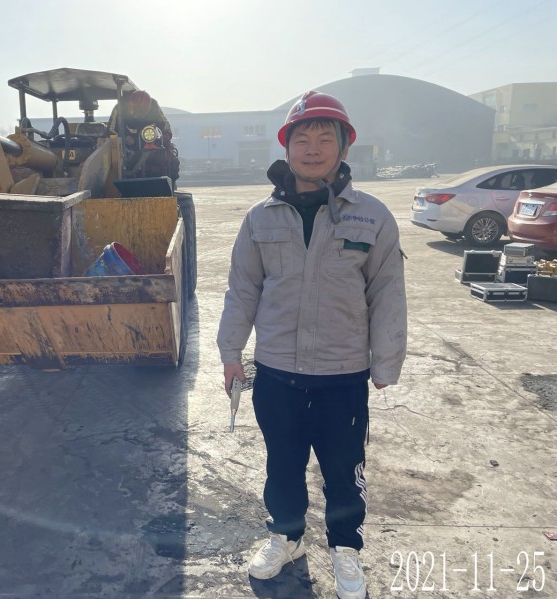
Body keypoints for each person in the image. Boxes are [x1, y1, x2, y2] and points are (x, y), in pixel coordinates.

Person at [216, 90, 407, 599]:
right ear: (287, 147)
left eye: (326, 138)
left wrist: (386, 362)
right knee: (282, 464)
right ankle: (287, 537)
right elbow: (242, 289)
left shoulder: (371, 216)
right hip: (277, 371)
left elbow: (388, 291)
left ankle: (346, 548)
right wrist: (231, 353)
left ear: (344, 148)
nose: (313, 148)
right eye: (302, 138)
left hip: (342, 374)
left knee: (344, 469)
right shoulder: (260, 218)